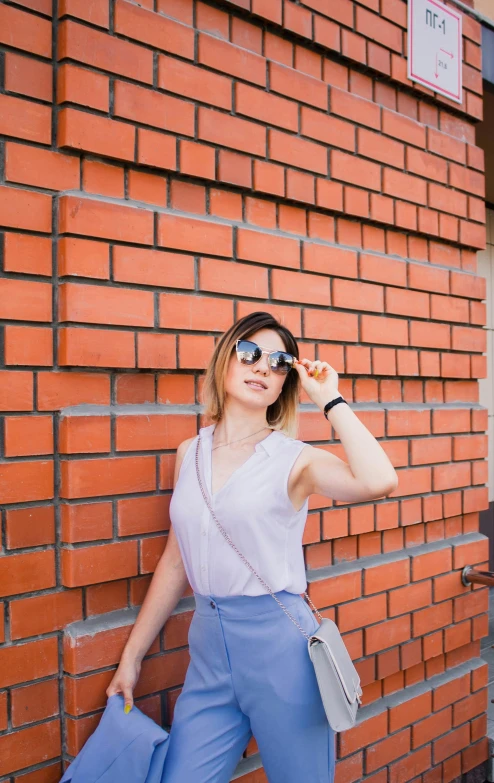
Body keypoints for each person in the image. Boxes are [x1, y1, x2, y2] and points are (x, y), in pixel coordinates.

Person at [106, 310, 398, 783]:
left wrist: (331, 399)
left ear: (287, 383)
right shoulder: (190, 452)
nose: (263, 367)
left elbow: (380, 480)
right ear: (225, 360)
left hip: (279, 648)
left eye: (280, 362)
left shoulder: (294, 459)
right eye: (249, 353)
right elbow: (176, 561)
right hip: (208, 650)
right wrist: (132, 658)